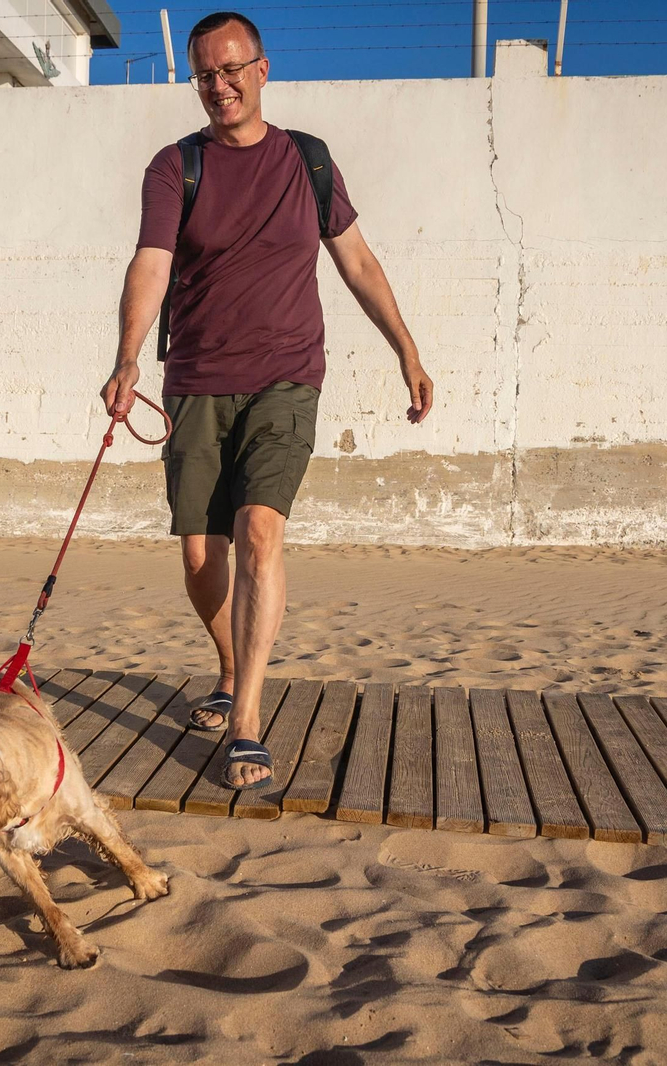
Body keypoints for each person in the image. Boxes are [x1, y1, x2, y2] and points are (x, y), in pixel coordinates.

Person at [100, 11, 432, 789]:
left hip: (287, 376)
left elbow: (357, 262)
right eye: (204, 75)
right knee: (197, 556)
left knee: (259, 532)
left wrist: (407, 351)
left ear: (262, 69)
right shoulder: (173, 167)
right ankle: (227, 661)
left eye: (230, 70)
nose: (218, 86)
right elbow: (149, 264)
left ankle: (246, 717)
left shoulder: (307, 162)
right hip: (195, 380)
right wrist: (125, 360)